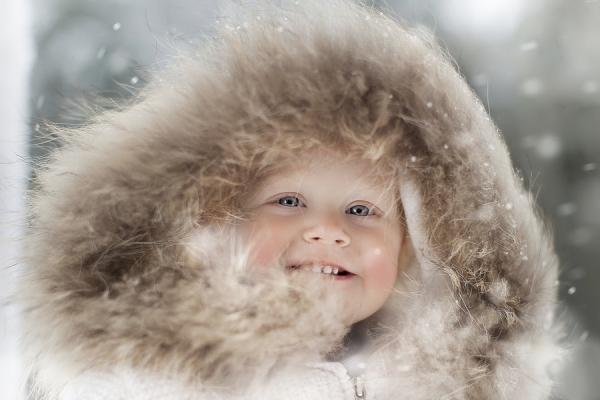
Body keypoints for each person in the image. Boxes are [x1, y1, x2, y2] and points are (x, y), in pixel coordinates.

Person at [19, 1, 559, 398]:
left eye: (362, 211)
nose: (327, 229)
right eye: (288, 201)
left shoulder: (439, 386)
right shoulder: (153, 378)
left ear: (415, 248)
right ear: (213, 219)